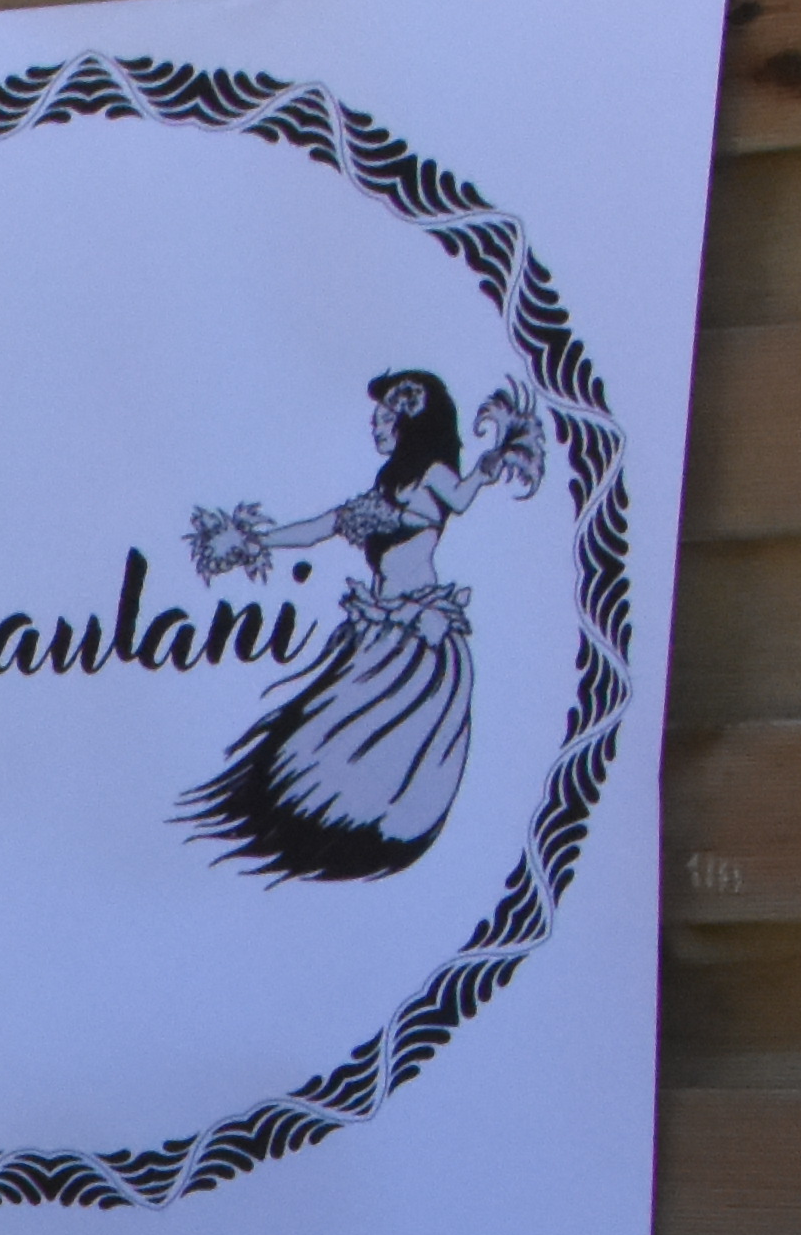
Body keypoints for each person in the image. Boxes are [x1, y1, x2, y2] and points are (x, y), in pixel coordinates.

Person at [176, 365, 552, 882]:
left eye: (384, 419)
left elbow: (461, 498)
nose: (375, 427)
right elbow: (323, 526)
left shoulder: (433, 475)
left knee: (382, 743)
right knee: (324, 731)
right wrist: (256, 541)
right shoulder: (385, 488)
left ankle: (360, 836)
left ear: (408, 423)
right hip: (378, 627)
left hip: (419, 633)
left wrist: (490, 466)